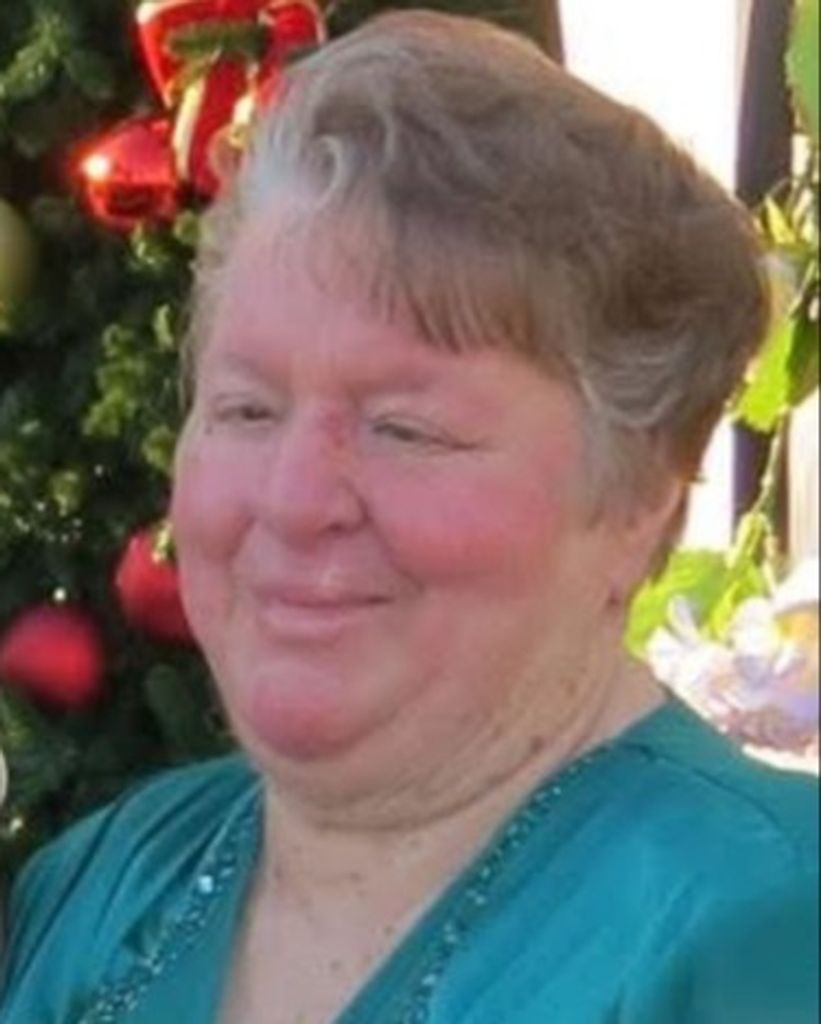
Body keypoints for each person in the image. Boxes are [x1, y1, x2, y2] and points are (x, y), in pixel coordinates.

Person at [0, 10, 817, 1023]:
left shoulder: (765, 932)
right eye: (248, 409)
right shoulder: (104, 885)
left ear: (637, 496)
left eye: (404, 429)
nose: (294, 501)